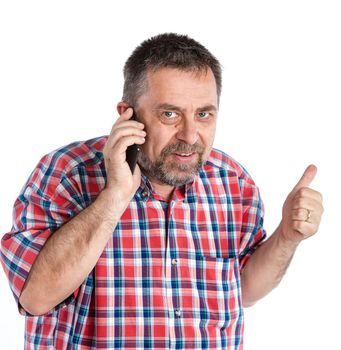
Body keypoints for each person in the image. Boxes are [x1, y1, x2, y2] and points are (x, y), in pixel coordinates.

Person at [0, 33, 323, 349]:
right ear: (128, 114)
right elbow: (36, 299)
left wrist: (286, 237)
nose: (190, 135)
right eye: (170, 114)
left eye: (203, 114)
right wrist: (115, 196)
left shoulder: (233, 181)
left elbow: (245, 291)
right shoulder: (66, 173)